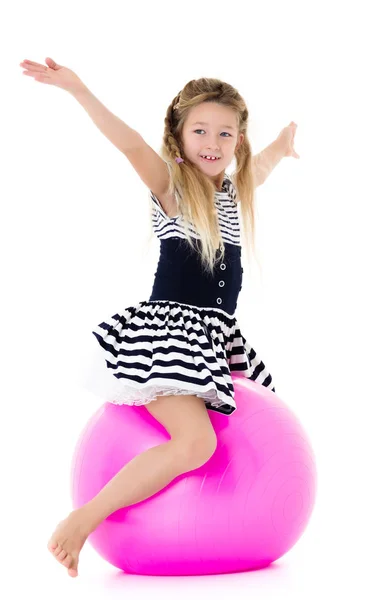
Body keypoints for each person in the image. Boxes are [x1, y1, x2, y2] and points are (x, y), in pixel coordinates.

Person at [20, 57, 300, 577]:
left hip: (216, 339)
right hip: (170, 338)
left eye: (225, 133)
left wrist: (282, 146)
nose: (212, 142)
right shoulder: (172, 187)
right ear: (178, 136)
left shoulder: (236, 195)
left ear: (238, 140)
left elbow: (257, 169)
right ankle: (82, 521)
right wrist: (80, 90)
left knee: (242, 428)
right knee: (197, 444)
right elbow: (128, 143)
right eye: (200, 130)